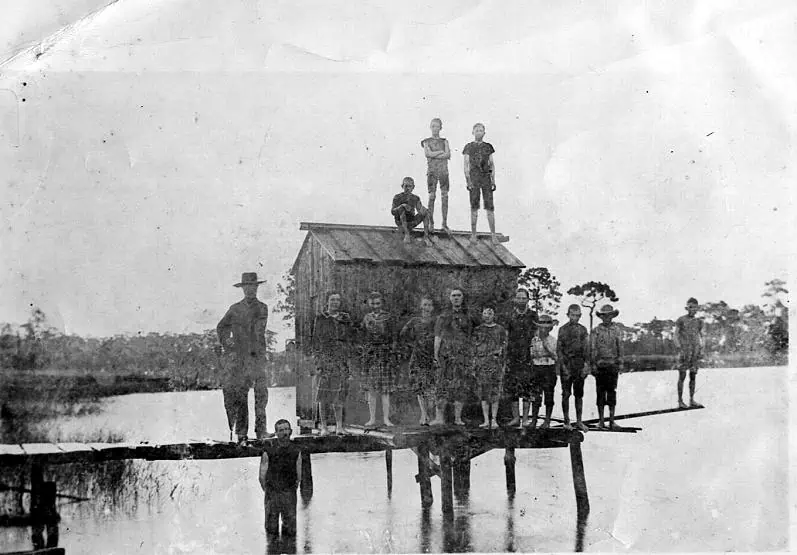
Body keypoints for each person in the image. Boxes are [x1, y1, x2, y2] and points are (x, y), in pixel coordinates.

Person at [217, 272, 271, 442]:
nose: (250, 290)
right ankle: (242, 432)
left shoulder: (262, 308)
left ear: (256, 288)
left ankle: (261, 431)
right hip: (240, 358)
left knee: (261, 396)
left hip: (257, 358)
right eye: (247, 287)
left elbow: (256, 331)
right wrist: (228, 342)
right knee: (241, 396)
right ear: (243, 289)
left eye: (253, 286)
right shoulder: (234, 309)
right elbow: (221, 327)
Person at [432, 288, 479, 426]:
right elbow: (438, 336)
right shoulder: (443, 316)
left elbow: (471, 337)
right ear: (450, 298)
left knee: (461, 386)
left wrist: (472, 355)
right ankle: (439, 417)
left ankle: (458, 418)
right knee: (442, 386)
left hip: (463, 356)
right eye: (453, 295)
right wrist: (435, 355)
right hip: (446, 356)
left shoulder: (468, 317)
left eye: (459, 295)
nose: (456, 298)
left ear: (463, 298)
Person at [311, 293, 354, 436]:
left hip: (340, 360)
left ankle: (339, 426)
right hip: (325, 360)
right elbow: (316, 341)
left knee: (339, 395)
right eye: (332, 300)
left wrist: (347, 357)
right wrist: (318, 360)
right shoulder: (321, 318)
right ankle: (324, 427)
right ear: (327, 302)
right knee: (323, 396)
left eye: (338, 300)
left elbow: (349, 339)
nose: (335, 302)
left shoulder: (345, 319)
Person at [361, 291, 398, 427]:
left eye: (378, 303)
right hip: (371, 356)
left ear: (381, 303)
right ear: (369, 303)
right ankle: (372, 418)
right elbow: (362, 335)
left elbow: (394, 336)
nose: (375, 306)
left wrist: (392, 352)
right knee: (372, 389)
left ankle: (386, 419)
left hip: (385, 355)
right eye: (373, 303)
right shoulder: (366, 318)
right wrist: (365, 351)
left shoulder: (388, 317)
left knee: (385, 390)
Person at [259, 419, 302, 538]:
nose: (285, 433)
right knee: (271, 530)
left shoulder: (296, 451)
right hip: (272, 493)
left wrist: (292, 488)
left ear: (291, 431)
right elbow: (262, 476)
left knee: (290, 530)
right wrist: (268, 491)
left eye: (287, 429)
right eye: (281, 430)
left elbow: (299, 475)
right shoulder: (268, 451)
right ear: (276, 433)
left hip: (289, 493)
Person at [399, 296, 437, 425]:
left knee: (431, 387)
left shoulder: (436, 321)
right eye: (425, 305)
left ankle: (432, 415)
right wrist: (412, 345)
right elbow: (403, 334)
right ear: (421, 306)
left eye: (429, 305)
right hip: (417, 357)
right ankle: (423, 415)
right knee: (419, 386)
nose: (427, 308)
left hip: (432, 357)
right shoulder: (414, 321)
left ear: (432, 307)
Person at [504, 288, 537, 427]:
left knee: (527, 388)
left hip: (528, 356)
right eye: (519, 298)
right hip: (513, 355)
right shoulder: (510, 316)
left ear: (528, 300)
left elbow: (536, 335)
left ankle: (525, 419)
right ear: (515, 300)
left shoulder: (533, 315)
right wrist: (505, 356)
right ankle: (516, 418)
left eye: (524, 298)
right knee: (513, 388)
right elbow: (506, 337)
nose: (521, 301)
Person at [472, 305, 507, 429]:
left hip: (495, 365)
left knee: (495, 393)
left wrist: (502, 361)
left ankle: (494, 420)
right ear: (482, 315)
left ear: (494, 315)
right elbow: (474, 348)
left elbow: (504, 346)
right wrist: (475, 364)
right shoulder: (478, 330)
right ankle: (486, 420)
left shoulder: (500, 329)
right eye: (485, 313)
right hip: (482, 365)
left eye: (490, 313)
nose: (487, 316)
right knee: (484, 393)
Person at [557, 305, 590, 431]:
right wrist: (563, 367)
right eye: (572, 315)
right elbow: (559, 350)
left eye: (577, 315)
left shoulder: (583, 330)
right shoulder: (562, 329)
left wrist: (586, 366)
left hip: (579, 364)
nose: (575, 317)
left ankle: (579, 421)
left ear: (580, 316)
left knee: (579, 394)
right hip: (566, 364)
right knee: (566, 394)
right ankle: (566, 421)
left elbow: (587, 349)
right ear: (568, 315)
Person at [462, 123, 497, 244]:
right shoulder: (468, 147)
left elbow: (491, 164)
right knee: (474, 207)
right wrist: (468, 180)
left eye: (481, 130)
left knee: (490, 208)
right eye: (477, 130)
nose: (479, 132)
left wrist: (493, 180)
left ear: (484, 133)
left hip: (486, 178)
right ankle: (473, 234)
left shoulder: (488, 146)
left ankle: (493, 235)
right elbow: (466, 165)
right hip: (474, 179)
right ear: (473, 132)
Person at [590, 304, 623, 429]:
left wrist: (620, 363)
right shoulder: (596, 330)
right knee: (600, 393)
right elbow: (592, 348)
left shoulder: (616, 330)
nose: (607, 318)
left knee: (612, 393)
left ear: (612, 316)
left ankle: (612, 421)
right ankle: (601, 420)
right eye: (604, 316)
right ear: (601, 317)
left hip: (613, 365)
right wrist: (593, 364)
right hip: (600, 365)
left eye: (609, 315)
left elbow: (620, 346)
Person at [421, 118, 451, 231]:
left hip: (443, 171)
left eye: (437, 126)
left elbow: (448, 154)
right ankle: (431, 223)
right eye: (432, 126)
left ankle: (444, 223)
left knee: (445, 196)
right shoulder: (426, 141)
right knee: (432, 196)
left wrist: (435, 155)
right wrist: (439, 152)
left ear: (440, 127)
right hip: (432, 171)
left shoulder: (444, 141)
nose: (435, 128)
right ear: (430, 127)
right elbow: (427, 153)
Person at [674, 297, 704, 409]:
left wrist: (702, 348)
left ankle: (691, 400)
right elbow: (675, 335)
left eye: (694, 307)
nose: (692, 309)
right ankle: (680, 401)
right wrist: (679, 348)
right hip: (684, 352)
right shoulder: (681, 320)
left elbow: (702, 336)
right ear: (687, 308)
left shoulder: (699, 322)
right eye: (690, 307)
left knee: (693, 376)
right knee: (682, 375)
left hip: (695, 352)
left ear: (697, 309)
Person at [529, 314, 558, 429]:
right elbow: (532, 355)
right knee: (535, 395)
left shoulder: (552, 340)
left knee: (549, 395)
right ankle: (534, 420)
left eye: (546, 327)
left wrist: (546, 348)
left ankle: (547, 420)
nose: (543, 330)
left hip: (549, 368)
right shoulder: (534, 340)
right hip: (537, 368)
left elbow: (555, 357)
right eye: (541, 327)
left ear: (550, 328)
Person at [391, 177, 433, 246]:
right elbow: (393, 211)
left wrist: (425, 211)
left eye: (410, 186)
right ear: (402, 186)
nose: (407, 188)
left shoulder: (415, 198)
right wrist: (402, 206)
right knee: (402, 209)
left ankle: (426, 237)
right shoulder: (397, 197)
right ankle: (407, 234)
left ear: (413, 187)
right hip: (401, 223)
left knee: (425, 211)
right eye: (406, 186)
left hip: (411, 222)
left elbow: (420, 210)